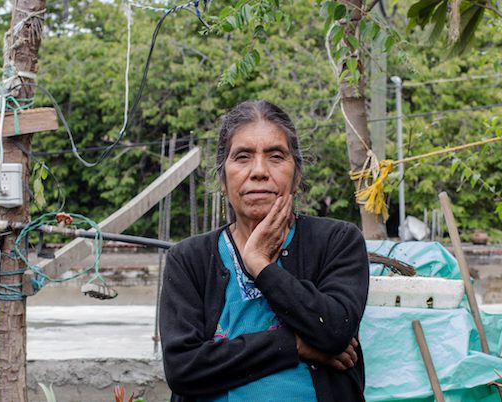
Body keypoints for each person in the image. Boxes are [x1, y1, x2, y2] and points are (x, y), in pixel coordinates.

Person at [158, 100, 370, 401]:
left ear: (296, 176)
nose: (259, 171)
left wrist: (260, 264)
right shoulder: (189, 259)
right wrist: (293, 344)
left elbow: (334, 331)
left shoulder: (337, 241)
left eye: (276, 156)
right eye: (242, 157)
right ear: (223, 178)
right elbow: (183, 368)